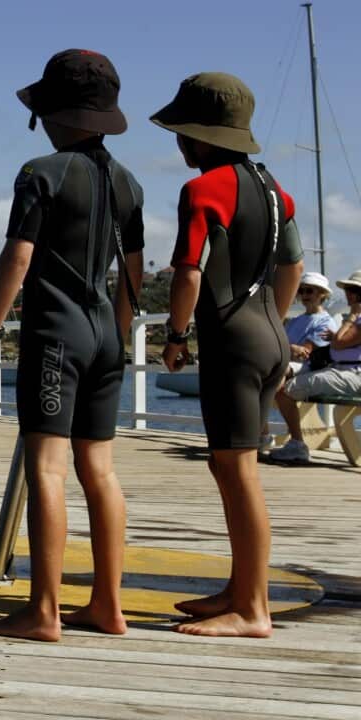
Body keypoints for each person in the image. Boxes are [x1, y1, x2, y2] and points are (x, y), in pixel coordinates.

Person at [0, 49, 142, 642]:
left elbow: (19, 255)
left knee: (48, 468)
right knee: (101, 469)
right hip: (106, 336)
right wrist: (116, 335)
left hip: (56, 335)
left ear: (56, 114)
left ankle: (44, 611)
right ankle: (107, 605)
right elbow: (134, 274)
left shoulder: (40, 172)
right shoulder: (129, 182)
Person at [154, 72, 304, 637]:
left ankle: (253, 610)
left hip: (233, 342)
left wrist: (175, 335)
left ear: (197, 136)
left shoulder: (203, 190)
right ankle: (239, 590)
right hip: (270, 334)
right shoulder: (275, 190)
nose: (177, 144)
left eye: (179, 132)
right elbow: (290, 264)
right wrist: (274, 322)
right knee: (228, 465)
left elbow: (189, 272)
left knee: (239, 471)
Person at [268, 270, 361, 463]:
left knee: (284, 390)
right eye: (348, 290)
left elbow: (338, 343)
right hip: (340, 370)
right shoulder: (298, 320)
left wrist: (352, 316)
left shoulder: (354, 318)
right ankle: (264, 434)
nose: (349, 295)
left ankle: (296, 444)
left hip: (352, 373)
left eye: (354, 291)